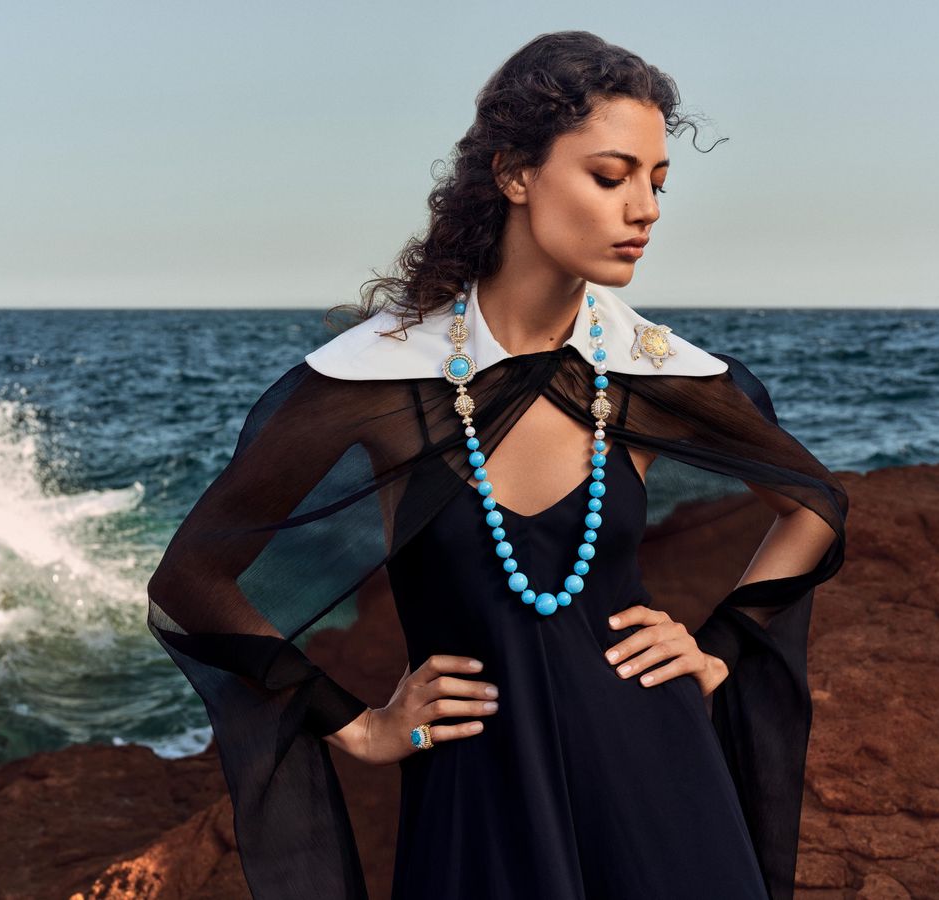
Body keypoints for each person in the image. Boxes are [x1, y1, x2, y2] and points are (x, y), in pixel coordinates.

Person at [147, 30, 848, 900]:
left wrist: (715, 651)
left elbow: (814, 504)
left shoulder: (646, 371)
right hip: (478, 800)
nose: (647, 210)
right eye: (611, 175)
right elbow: (193, 579)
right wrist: (359, 726)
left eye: (658, 181)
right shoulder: (379, 379)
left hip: (659, 776)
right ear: (515, 174)